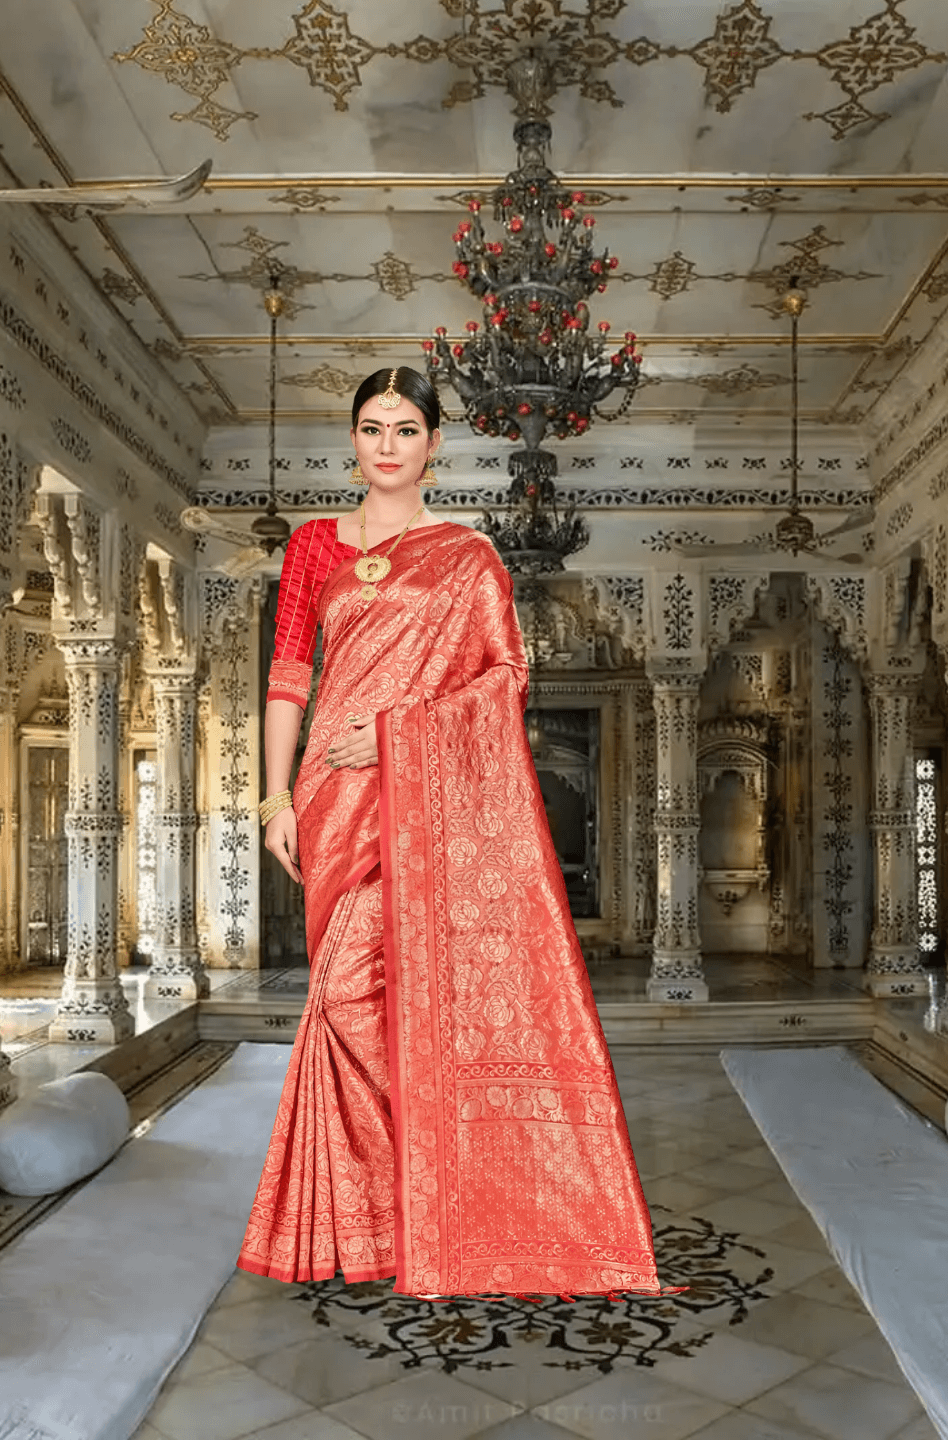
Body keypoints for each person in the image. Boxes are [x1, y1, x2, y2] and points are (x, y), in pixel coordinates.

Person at [238, 366, 675, 1300]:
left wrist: (397, 737)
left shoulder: (468, 557)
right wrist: (275, 799)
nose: (387, 445)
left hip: (421, 797)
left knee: (380, 998)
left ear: (434, 444)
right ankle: (385, 1215)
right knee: (346, 1001)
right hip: (332, 800)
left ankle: (438, 1198)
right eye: (372, 427)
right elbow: (287, 679)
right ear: (352, 440)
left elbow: (504, 680)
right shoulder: (313, 546)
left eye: (405, 428)